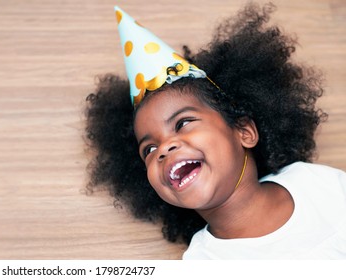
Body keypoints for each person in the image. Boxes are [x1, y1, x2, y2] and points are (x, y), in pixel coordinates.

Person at [84, 2, 346, 259]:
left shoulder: (314, 182)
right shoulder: (204, 264)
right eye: (149, 149)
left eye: (182, 123)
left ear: (244, 131)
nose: (163, 148)